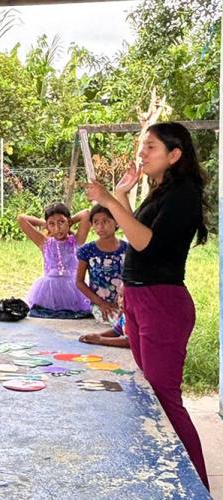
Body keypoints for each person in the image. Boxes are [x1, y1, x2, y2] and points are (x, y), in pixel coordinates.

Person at [86, 122, 210, 489]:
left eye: (151, 147)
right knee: (152, 394)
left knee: (165, 398)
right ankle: (166, 476)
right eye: (143, 146)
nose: (142, 153)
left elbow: (143, 243)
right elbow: (135, 230)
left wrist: (108, 199)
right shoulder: (162, 192)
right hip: (142, 299)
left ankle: (197, 487)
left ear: (175, 155)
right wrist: (122, 194)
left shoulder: (183, 194)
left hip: (163, 302)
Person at [17, 203, 91, 316]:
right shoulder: (44, 242)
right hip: (47, 292)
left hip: (74, 292)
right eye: (52, 224)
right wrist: (45, 224)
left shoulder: (77, 241)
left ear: (69, 222)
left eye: (61, 222)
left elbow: (86, 213)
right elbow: (22, 219)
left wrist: (69, 222)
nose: (57, 228)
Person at [76, 205, 129, 348]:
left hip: (126, 304)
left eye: (105, 221)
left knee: (131, 322)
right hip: (101, 305)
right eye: (96, 222)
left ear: (116, 222)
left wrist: (125, 305)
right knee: (115, 322)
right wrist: (101, 303)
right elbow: (79, 282)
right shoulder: (87, 250)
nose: (100, 226)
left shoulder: (127, 249)